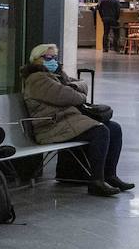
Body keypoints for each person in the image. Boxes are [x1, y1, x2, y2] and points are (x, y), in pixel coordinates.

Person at [20, 43, 133, 198]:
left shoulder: (56, 75)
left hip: (66, 122)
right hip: (50, 126)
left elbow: (81, 84)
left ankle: (110, 175)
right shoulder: (37, 79)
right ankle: (96, 181)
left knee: (114, 128)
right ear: (36, 59)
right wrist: (77, 93)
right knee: (100, 131)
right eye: (47, 57)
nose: (52, 60)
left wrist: (72, 88)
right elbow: (69, 96)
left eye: (54, 57)